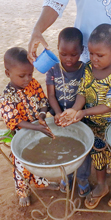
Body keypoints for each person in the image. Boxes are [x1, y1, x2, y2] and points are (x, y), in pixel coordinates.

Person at [28, 0, 111, 115]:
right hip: (88, 41)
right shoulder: (91, 61)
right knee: (90, 95)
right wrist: (37, 30)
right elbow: (55, 2)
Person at [59, 24, 111, 209]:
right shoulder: (89, 68)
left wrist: (83, 112)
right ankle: (102, 185)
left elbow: (109, 105)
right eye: (91, 54)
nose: (94, 59)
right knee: (98, 155)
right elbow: (82, 91)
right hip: (94, 125)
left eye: (100, 55)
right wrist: (75, 109)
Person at [0, 47, 59, 207]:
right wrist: (37, 128)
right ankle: (22, 192)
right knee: (22, 166)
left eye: (30, 74)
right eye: (22, 75)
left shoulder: (33, 84)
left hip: (36, 130)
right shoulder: (6, 97)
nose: (27, 79)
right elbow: (15, 121)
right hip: (21, 136)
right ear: (7, 73)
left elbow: (42, 101)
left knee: (38, 159)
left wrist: (41, 115)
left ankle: (41, 183)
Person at [46, 27, 91, 197]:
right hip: (60, 118)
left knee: (83, 150)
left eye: (74, 54)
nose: (69, 59)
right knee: (63, 146)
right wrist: (58, 114)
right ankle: (67, 176)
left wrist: (74, 112)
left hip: (80, 117)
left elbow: (85, 93)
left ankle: (83, 179)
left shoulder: (86, 70)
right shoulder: (53, 70)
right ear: (57, 48)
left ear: (82, 50)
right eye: (63, 54)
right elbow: (51, 95)